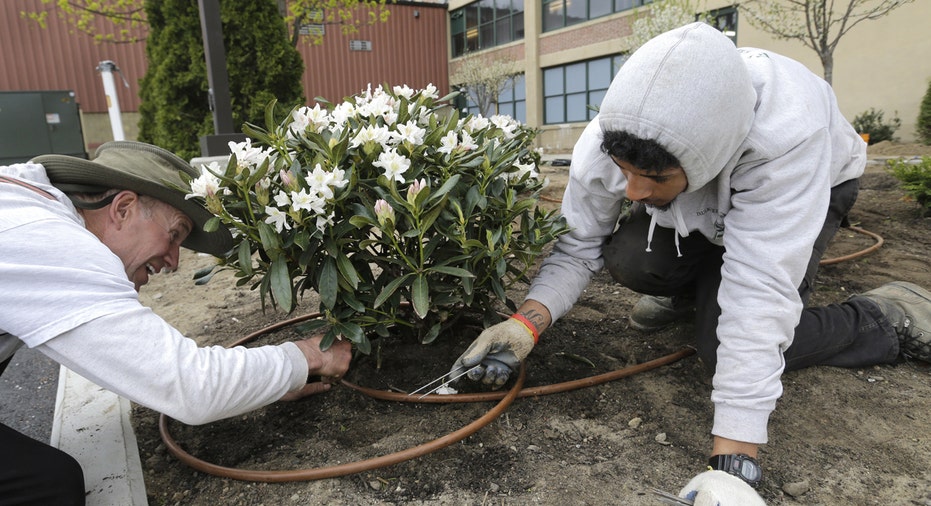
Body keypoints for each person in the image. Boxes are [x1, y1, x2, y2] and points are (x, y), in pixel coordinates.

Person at [448, 22, 931, 503]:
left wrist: (732, 467)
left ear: (708, 161)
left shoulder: (786, 138)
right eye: (624, 172)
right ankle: (698, 294)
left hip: (819, 184)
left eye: (653, 176)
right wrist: (525, 325)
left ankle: (881, 317)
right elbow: (578, 246)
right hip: (702, 193)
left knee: (723, 349)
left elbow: (760, 289)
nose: (633, 192)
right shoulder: (613, 137)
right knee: (631, 259)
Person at [0, 141, 352, 505]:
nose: (173, 262)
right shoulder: (51, 243)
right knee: (46, 484)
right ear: (123, 208)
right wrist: (307, 356)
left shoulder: (26, 200)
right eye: (174, 234)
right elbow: (190, 386)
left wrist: (269, 381)